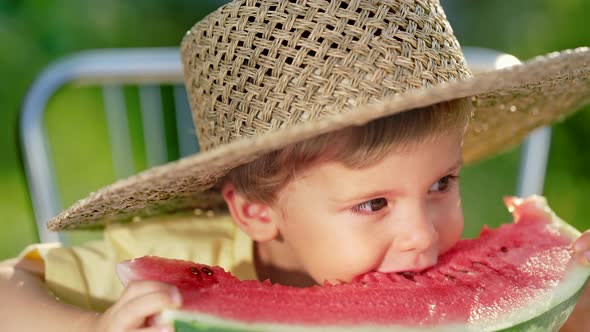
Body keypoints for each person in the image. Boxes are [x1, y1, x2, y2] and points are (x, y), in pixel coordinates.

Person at [2, 0, 590, 331]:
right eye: (373, 204)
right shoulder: (175, 257)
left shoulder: (440, 272)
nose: (421, 234)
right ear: (257, 211)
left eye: (442, 182)